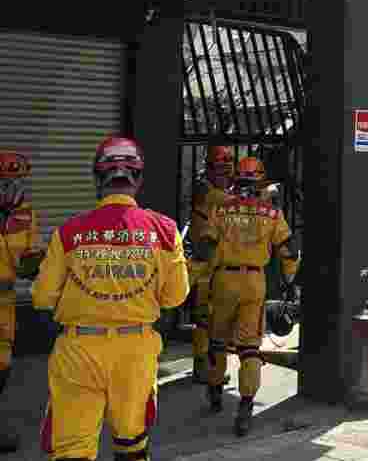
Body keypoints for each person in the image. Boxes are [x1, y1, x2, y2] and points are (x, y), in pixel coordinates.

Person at [32, 136, 189, 461]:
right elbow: (175, 297)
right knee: (132, 444)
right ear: (139, 179)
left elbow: (42, 297)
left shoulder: (69, 231)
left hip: (79, 351)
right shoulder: (164, 230)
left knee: (72, 450)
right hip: (135, 352)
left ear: (97, 178)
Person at [195, 156, 299, 437]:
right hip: (255, 281)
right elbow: (289, 251)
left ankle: (215, 390)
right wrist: (290, 280)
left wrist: (198, 279)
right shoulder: (273, 214)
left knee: (217, 340)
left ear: (236, 179)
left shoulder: (221, 210)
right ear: (261, 181)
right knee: (250, 346)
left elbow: (204, 247)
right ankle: (245, 406)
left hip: (223, 280)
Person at [184, 145, 235, 384]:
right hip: (204, 263)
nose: (225, 174)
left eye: (228, 168)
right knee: (204, 319)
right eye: (220, 168)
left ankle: (210, 365)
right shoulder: (204, 189)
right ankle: (201, 366)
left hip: (221, 264)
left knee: (218, 319)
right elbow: (226, 202)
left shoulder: (225, 191)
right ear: (211, 169)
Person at [0, 151, 39, 454]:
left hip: (6, 299)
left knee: (2, 366)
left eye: (14, 180)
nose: (8, 186)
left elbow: (28, 257)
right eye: (3, 180)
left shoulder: (25, 213)